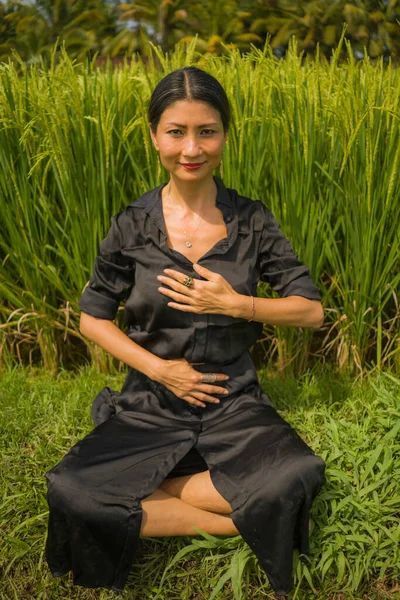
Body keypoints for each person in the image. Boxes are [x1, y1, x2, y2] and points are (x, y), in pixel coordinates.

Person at [44, 66, 326, 597]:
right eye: (176, 131)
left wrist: (238, 304)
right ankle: (233, 522)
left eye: (207, 131)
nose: (191, 148)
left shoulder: (252, 221)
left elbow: (310, 311)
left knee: (297, 475)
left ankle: (158, 491)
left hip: (233, 402)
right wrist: (160, 370)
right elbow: (92, 316)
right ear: (154, 136)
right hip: (151, 400)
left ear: (225, 134)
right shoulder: (133, 224)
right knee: (72, 489)